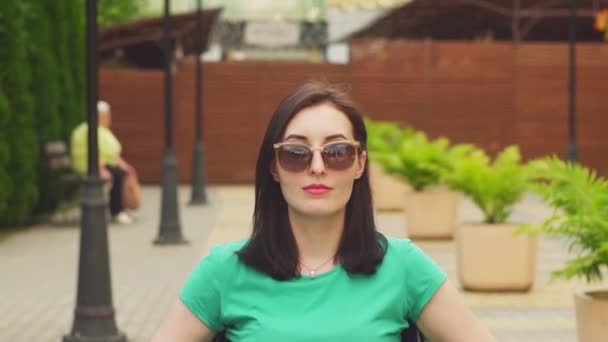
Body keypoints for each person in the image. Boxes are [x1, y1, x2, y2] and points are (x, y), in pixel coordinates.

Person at [152, 81, 496, 341]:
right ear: (273, 167)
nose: (317, 167)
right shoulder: (224, 271)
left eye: (336, 152)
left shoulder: (404, 266)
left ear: (360, 163)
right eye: (296, 153)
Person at [70, 100, 141, 224]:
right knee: (117, 175)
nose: (109, 118)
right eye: (106, 115)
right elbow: (92, 152)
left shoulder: (102, 130)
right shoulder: (88, 129)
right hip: (89, 166)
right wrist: (101, 169)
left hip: (102, 165)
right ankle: (116, 211)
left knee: (122, 172)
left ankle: (121, 208)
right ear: (98, 116)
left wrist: (125, 165)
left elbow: (113, 154)